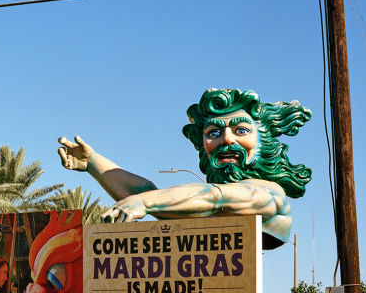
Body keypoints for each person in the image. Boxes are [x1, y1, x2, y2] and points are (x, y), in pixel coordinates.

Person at [57, 87, 312, 246]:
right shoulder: (206, 200)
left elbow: (214, 198)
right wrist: (93, 162)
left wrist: (145, 203)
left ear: (263, 138)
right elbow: (147, 192)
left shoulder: (269, 193)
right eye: (213, 133)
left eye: (241, 130)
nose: (226, 139)